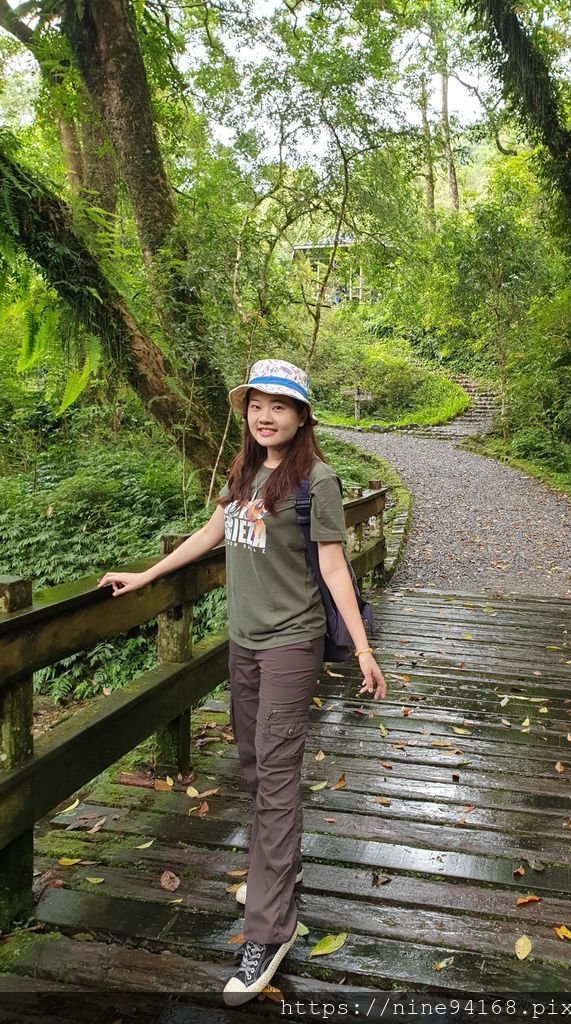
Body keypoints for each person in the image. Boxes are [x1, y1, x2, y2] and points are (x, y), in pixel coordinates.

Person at [99, 358, 387, 1005]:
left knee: (278, 777)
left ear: (302, 415)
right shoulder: (245, 472)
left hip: (291, 644)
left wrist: (364, 649)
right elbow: (212, 532)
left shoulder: (319, 479)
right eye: (257, 403)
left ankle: (269, 927)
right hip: (244, 644)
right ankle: (275, 874)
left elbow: (336, 570)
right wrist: (144, 577)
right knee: (256, 767)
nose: (265, 414)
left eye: (280, 405)